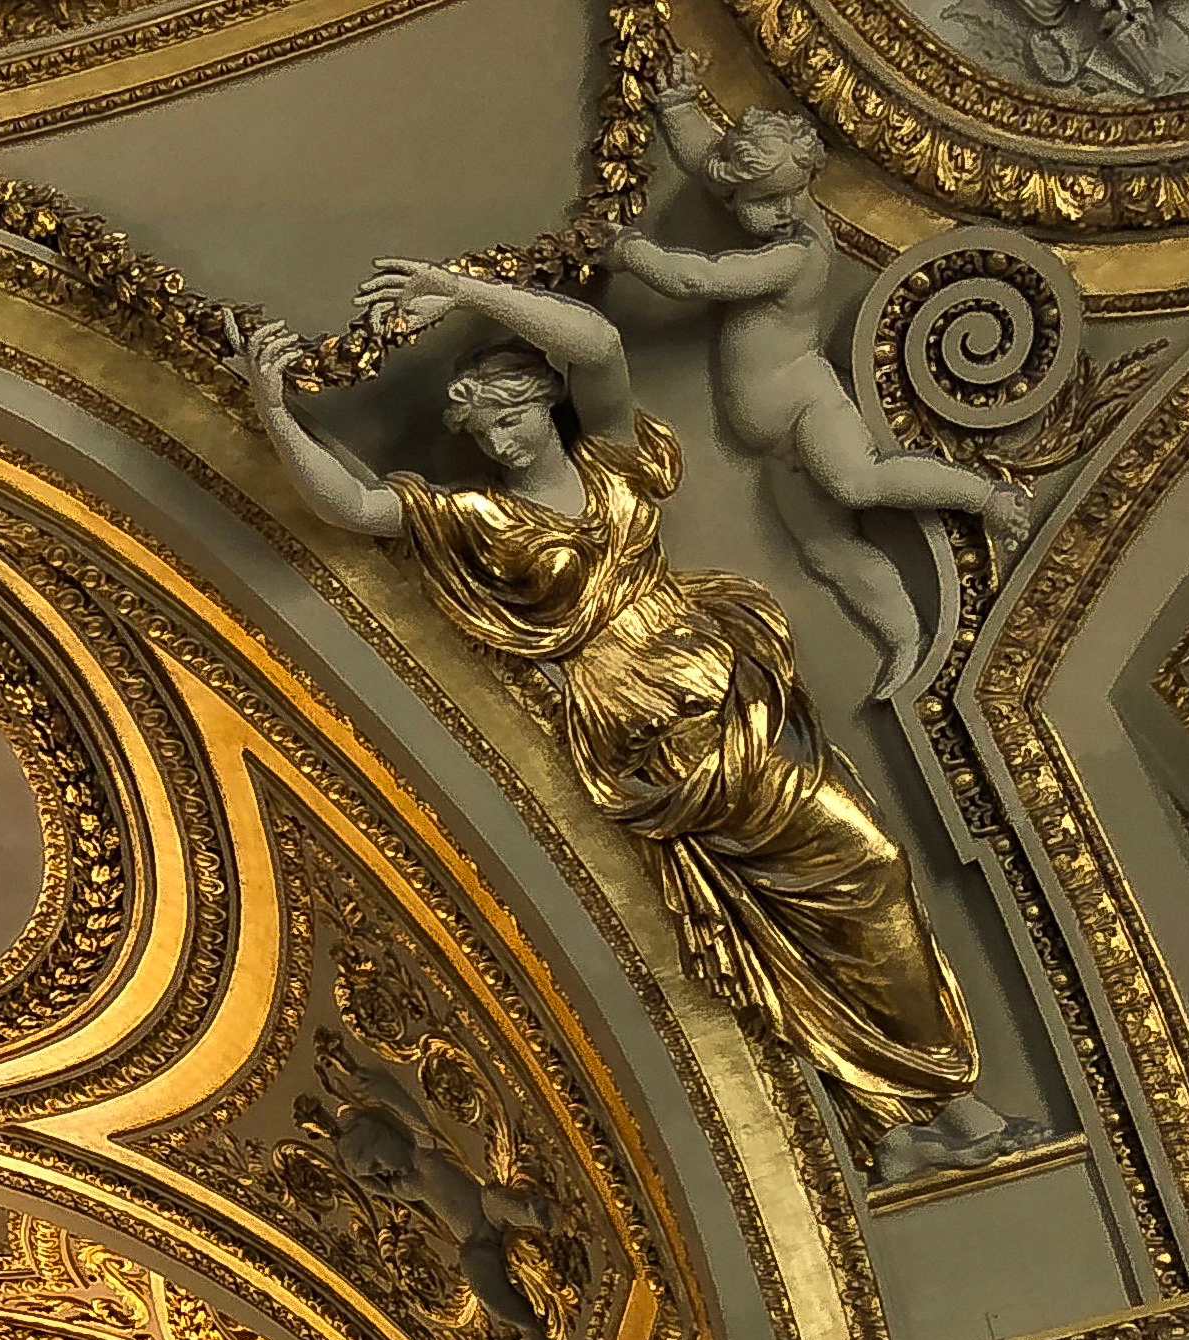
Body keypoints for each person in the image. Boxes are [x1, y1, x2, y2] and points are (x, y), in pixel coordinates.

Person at [231, 274, 1043, 1185]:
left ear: (542, 401)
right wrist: (274, 412)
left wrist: (455, 290)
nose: (498, 443)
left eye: (510, 419)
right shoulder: (481, 518)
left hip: (734, 694)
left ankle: (915, 1109)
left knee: (870, 871)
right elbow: (358, 508)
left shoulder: (611, 462)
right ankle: (916, 1110)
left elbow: (601, 349)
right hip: (649, 735)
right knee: (783, 910)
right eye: (483, 434)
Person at [605, 71, 1032, 701]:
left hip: (808, 404)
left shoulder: (794, 251)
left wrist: (632, 252)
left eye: (788, 198)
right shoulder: (760, 197)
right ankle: (904, 639)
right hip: (779, 439)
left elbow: (697, 280)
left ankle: (986, 498)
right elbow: (712, 165)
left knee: (858, 482)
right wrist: (676, 107)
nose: (778, 211)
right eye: (764, 200)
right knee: (827, 550)